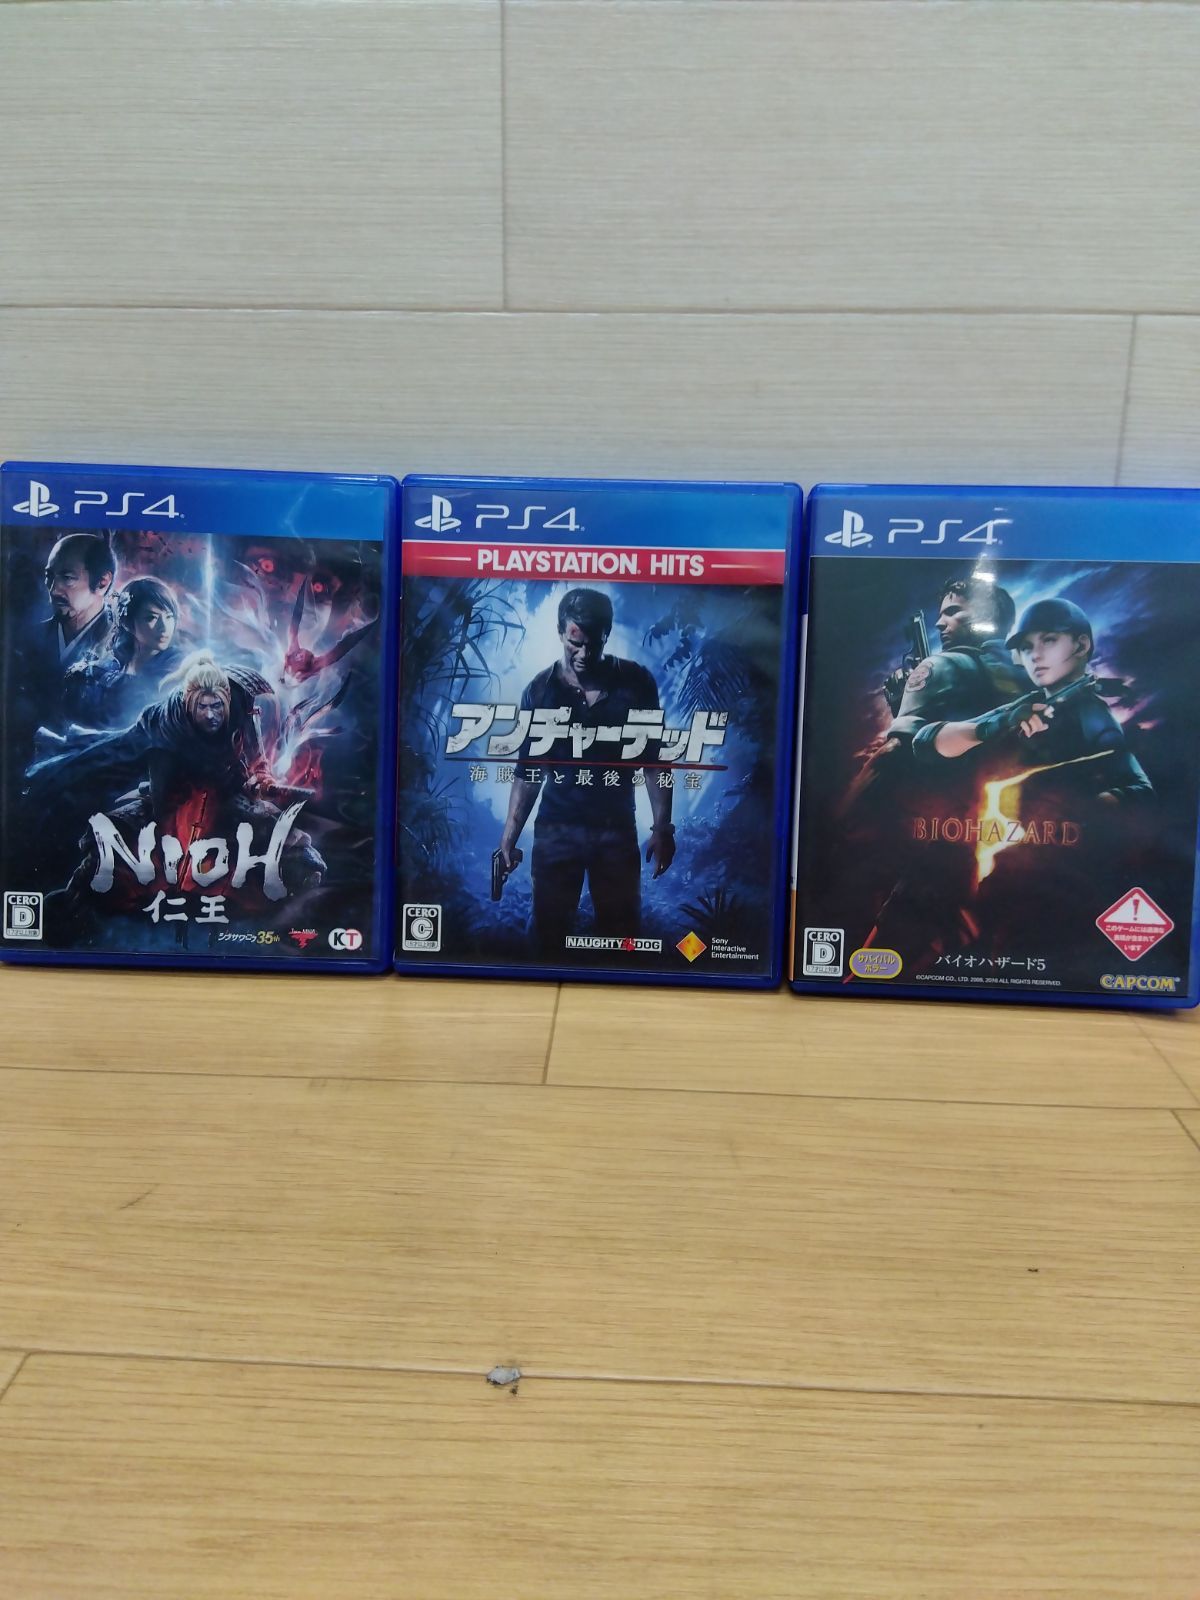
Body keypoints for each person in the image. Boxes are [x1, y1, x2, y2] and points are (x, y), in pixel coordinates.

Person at [28, 652, 325, 910]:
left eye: (216, 706)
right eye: (203, 707)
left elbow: (257, 757)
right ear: (189, 704)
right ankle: (60, 751)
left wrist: (262, 780)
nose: (211, 715)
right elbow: (163, 801)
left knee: (262, 821)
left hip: (221, 775)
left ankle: (300, 868)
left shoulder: (242, 705)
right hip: (165, 761)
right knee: (103, 760)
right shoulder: (166, 727)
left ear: (226, 700)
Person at [496, 588, 675, 955]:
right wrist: (509, 836)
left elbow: (656, 762)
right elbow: (528, 770)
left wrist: (662, 829)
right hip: (556, 830)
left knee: (623, 938)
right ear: (561, 632)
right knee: (547, 934)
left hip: (616, 831)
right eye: (574, 644)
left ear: (606, 635)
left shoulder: (636, 682)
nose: (583, 654)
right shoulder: (541, 691)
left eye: (592, 645)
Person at [913, 597, 1152, 802]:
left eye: (1049, 640)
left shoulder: (1090, 712)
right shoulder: (1026, 705)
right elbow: (925, 743)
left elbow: (1139, 789)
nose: (1035, 655)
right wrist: (996, 725)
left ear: (1081, 645)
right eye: (1026, 647)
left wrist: (1085, 810)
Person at [63, 576, 184, 726]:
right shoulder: (116, 663)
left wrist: (94, 673)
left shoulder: (178, 663)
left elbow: (145, 694)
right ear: (127, 623)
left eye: (169, 617)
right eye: (151, 618)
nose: (164, 627)